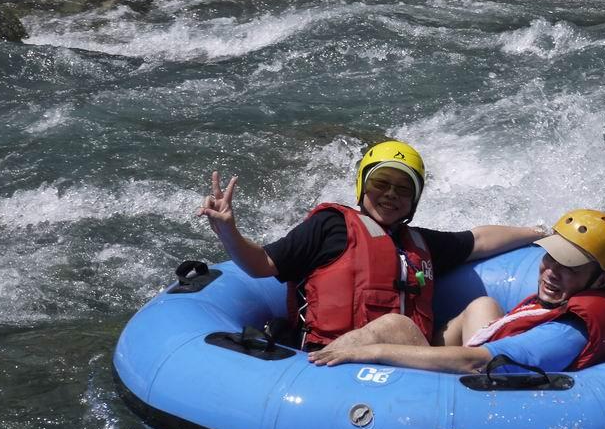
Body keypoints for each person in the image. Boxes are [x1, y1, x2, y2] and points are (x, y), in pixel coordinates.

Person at [198, 139, 547, 350]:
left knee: (483, 306)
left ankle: (486, 394)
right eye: (382, 182)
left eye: (404, 188)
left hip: (412, 355)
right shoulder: (330, 226)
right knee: (398, 326)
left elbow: (481, 239)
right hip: (341, 357)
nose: (391, 194)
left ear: (415, 200)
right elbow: (262, 265)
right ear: (363, 186)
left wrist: (540, 231)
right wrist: (229, 231)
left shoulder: (420, 243)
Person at [309, 209, 605, 373]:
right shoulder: (582, 299)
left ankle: (310, 372)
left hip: (474, 396)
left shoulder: (563, 334)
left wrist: (373, 352)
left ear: (601, 280)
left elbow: (477, 363)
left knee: (393, 328)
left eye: (570, 266)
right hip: (486, 373)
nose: (552, 272)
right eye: (550, 258)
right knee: (483, 303)